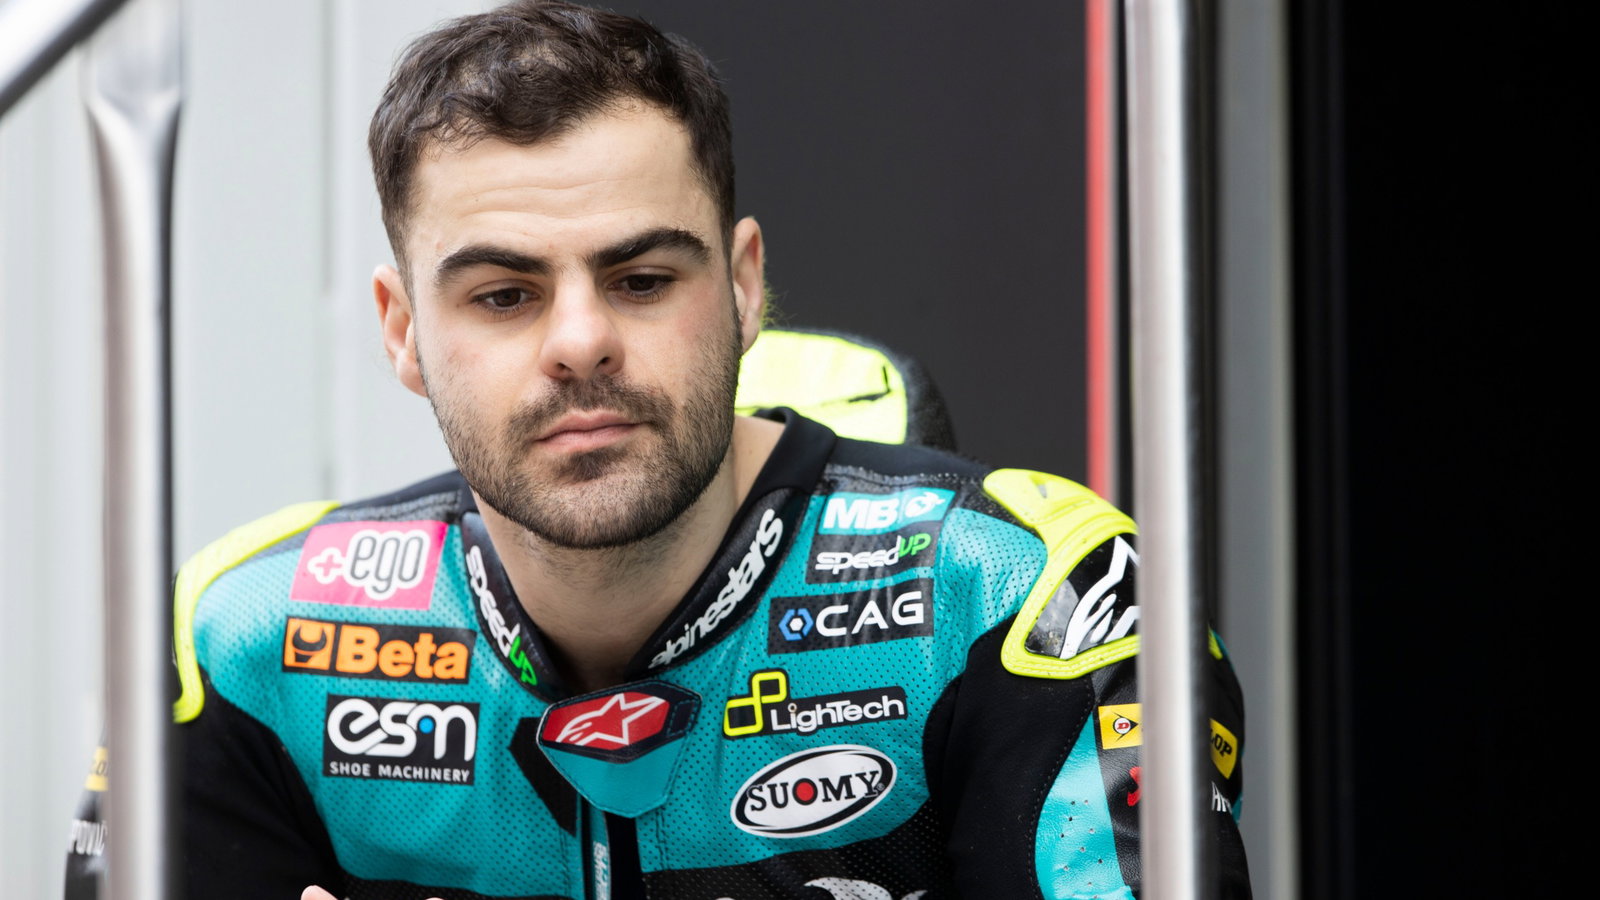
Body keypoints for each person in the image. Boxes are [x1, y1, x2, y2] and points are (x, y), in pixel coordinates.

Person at [65, 2, 1250, 897]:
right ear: (402, 331)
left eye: (639, 278)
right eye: (503, 295)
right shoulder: (243, 648)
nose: (580, 342)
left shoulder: (1034, 597)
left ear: (743, 287)